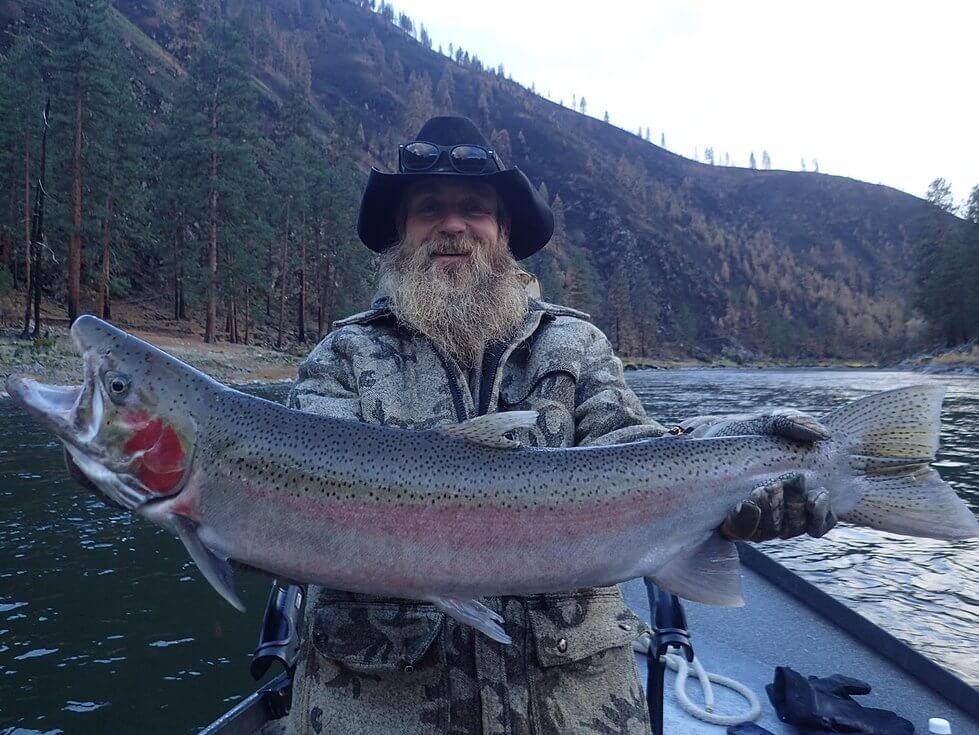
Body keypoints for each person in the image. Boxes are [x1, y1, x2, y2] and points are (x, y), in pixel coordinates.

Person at [284, 116, 836, 735]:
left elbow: (630, 452)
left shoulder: (575, 344)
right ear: (400, 233)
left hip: (572, 711)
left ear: (504, 233)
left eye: (474, 209)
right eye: (428, 209)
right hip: (378, 711)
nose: (452, 225)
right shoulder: (340, 359)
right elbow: (296, 495)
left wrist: (728, 453)